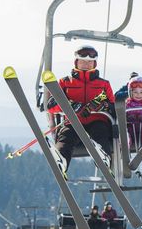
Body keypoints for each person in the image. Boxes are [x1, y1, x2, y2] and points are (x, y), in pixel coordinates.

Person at [47, 45, 115, 176]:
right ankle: (62, 160)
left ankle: (103, 157)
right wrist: (71, 105)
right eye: (83, 61)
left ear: (94, 63)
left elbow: (112, 105)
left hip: (97, 120)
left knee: (100, 132)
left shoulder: (103, 84)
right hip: (73, 121)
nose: (86, 65)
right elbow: (51, 106)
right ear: (76, 62)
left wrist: (100, 106)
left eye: (90, 62)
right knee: (67, 135)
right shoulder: (65, 82)